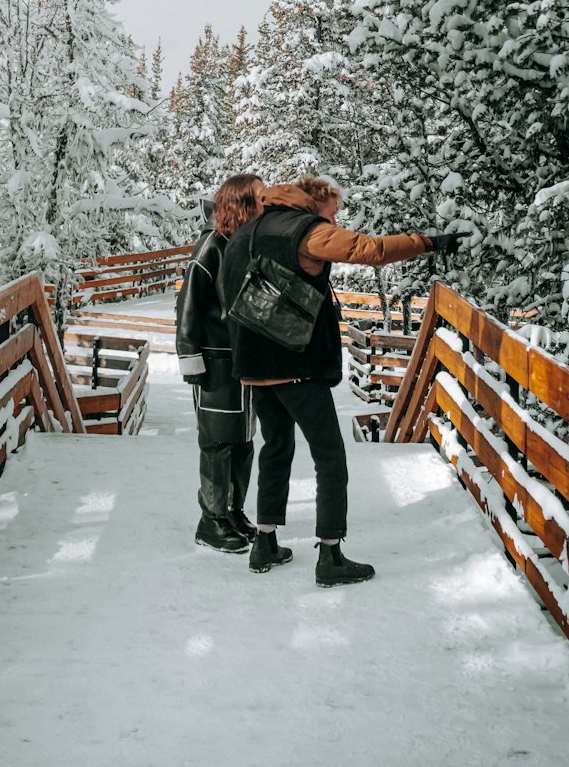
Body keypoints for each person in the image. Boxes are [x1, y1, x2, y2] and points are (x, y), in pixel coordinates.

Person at [222, 177, 467, 586]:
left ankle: (265, 542)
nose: (336, 219)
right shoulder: (308, 231)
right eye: (333, 211)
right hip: (295, 362)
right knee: (330, 456)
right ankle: (331, 555)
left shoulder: (248, 230)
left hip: (253, 364)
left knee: (276, 447)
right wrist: (429, 242)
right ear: (314, 205)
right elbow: (368, 250)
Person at [175, 174, 265, 553]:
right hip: (215, 363)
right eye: (260, 199)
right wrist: (189, 356)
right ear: (241, 205)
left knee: (243, 440)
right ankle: (210, 520)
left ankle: (232, 511)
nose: (267, 204)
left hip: (245, 363)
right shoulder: (211, 247)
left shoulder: (246, 245)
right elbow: (188, 306)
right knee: (216, 442)